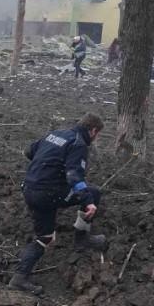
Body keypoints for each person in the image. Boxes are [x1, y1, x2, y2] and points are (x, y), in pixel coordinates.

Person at [10, 113, 108, 296]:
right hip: (47, 194)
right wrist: (88, 203)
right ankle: (20, 278)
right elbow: (74, 176)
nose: (97, 138)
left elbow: (29, 152)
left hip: (29, 188)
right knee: (92, 194)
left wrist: (46, 168)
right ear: (93, 131)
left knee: (45, 234)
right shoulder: (79, 144)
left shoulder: (56, 134)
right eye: (98, 134)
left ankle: (20, 276)